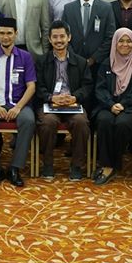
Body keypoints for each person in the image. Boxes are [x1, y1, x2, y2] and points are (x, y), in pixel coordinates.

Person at [0, 18, 36, 187]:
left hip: (19, 103)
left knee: (28, 120)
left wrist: (18, 107)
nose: (5, 37)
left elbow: (31, 86)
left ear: (16, 34)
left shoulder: (26, 57)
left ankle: (15, 168)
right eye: (2, 33)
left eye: (9, 33)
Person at [34, 20, 93, 181]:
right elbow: (37, 86)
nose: (59, 40)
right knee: (48, 123)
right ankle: (47, 164)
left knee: (81, 122)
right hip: (50, 104)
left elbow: (87, 86)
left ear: (69, 37)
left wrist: (75, 97)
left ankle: (76, 166)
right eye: (55, 37)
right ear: (49, 39)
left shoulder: (81, 62)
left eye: (62, 36)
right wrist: (51, 97)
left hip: (72, 103)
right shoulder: (41, 61)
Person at [91, 28, 132, 185]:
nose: (125, 44)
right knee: (104, 121)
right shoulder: (106, 63)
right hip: (108, 105)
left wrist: (123, 104)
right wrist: (111, 104)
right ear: (115, 43)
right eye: (121, 41)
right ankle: (107, 164)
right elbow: (100, 89)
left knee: (122, 123)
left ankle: (111, 165)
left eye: (129, 41)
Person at [63, 0, 116, 74]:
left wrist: (93, 59)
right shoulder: (69, 8)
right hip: (74, 64)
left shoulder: (106, 8)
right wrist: (75, 58)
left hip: (98, 65)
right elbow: (64, 35)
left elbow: (110, 37)